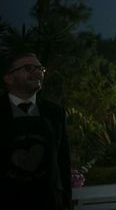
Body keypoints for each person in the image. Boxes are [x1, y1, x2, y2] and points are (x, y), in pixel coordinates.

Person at [0, 52, 71, 210]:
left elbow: (63, 162)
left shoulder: (55, 112)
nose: (37, 72)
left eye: (40, 68)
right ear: (9, 78)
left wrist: (66, 203)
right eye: (28, 68)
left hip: (48, 203)